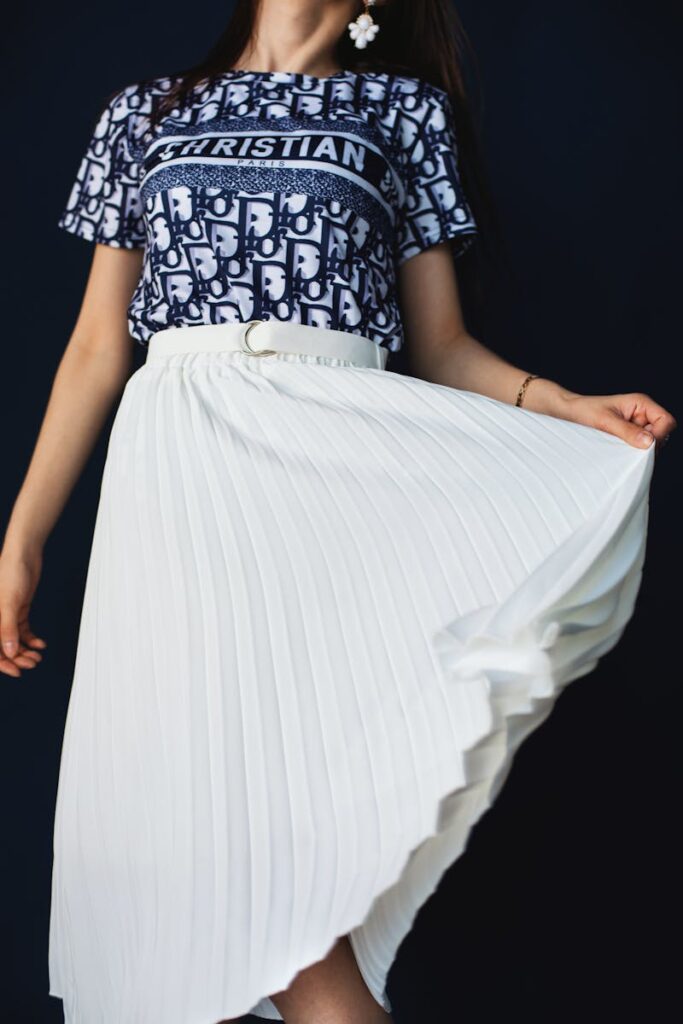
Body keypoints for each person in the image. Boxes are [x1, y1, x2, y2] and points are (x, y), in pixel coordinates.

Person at [0, 2, 675, 1022]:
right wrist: (24, 536)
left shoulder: (400, 110)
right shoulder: (144, 113)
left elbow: (438, 347)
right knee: (201, 864)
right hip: (180, 487)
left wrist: (566, 406)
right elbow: (98, 346)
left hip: (328, 483)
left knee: (280, 902)